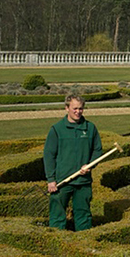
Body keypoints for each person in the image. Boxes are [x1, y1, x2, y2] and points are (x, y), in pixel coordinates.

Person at [43, 94, 103, 231]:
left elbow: (97, 150)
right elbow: (49, 156)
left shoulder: (90, 128)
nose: (78, 112)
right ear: (66, 108)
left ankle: (85, 245)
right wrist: (51, 179)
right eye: (75, 108)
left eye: (81, 109)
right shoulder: (57, 129)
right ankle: (57, 244)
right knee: (57, 217)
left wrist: (90, 165)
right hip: (61, 182)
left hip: (83, 182)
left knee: (84, 216)